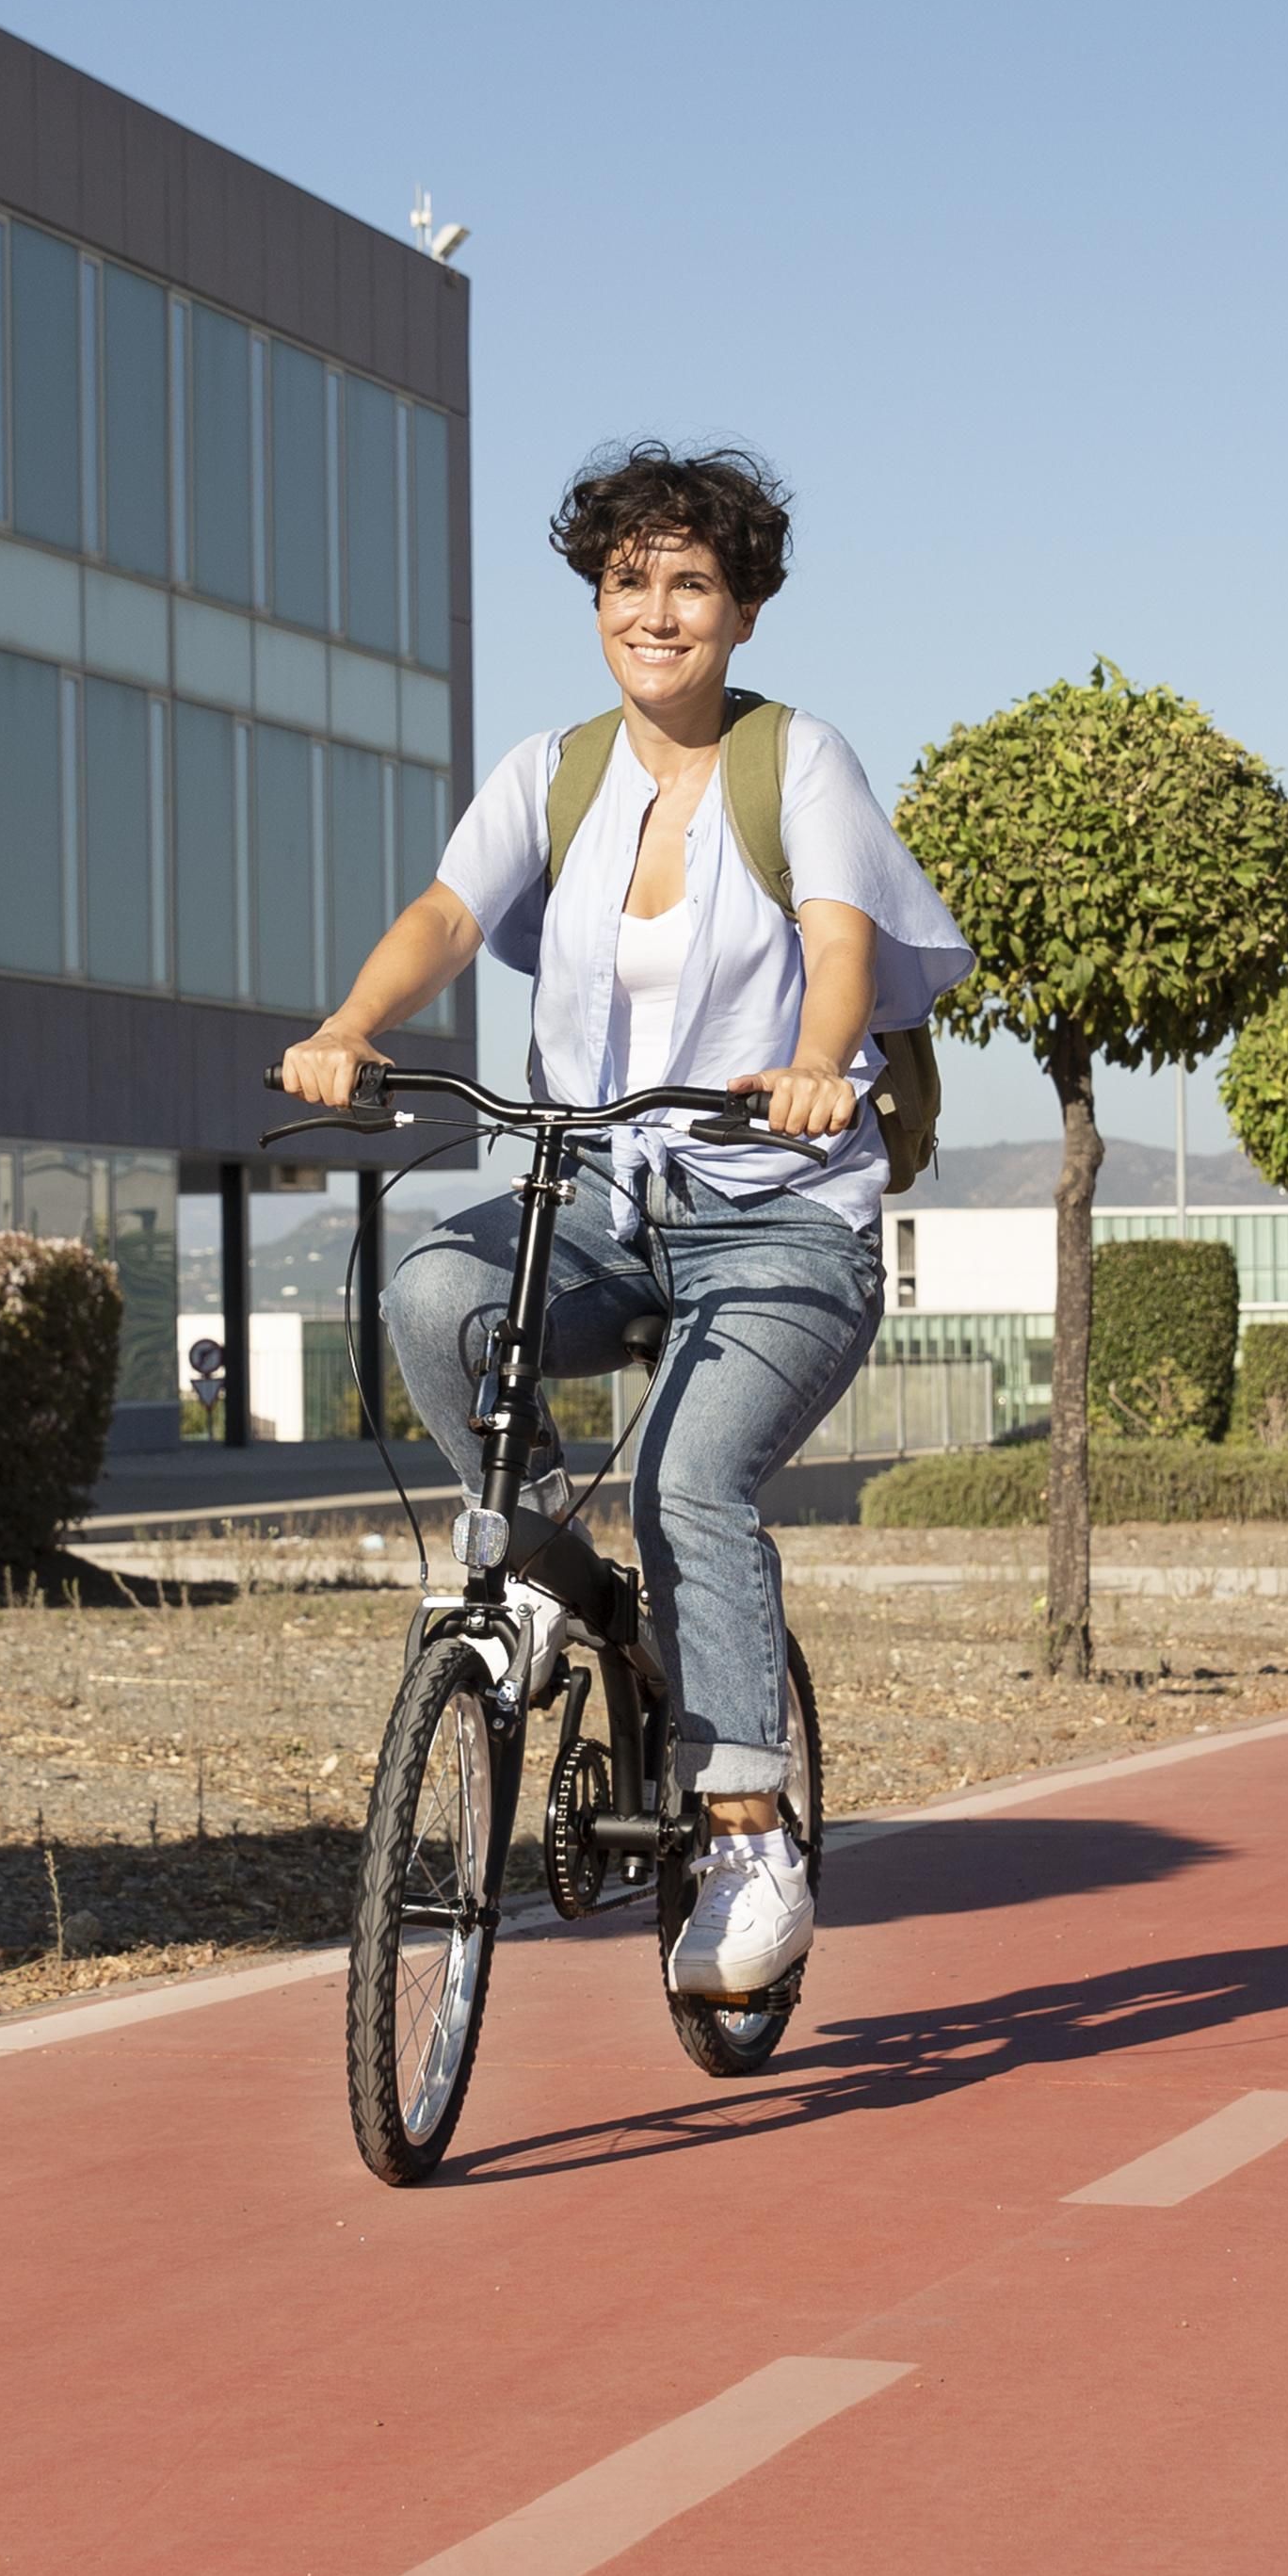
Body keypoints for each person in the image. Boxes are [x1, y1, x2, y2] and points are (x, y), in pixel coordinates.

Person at [280, 443, 968, 2003]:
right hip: (598, 1200)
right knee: (435, 1289)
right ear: (596, 599)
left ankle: (743, 1834)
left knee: (687, 1476)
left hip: (781, 1223)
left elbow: (842, 940)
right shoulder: (555, 772)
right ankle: (524, 1556)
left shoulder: (797, 763)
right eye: (625, 581)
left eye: (688, 583)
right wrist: (353, 1022)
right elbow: (448, 916)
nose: (652, 611)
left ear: (738, 611)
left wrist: (814, 1060)